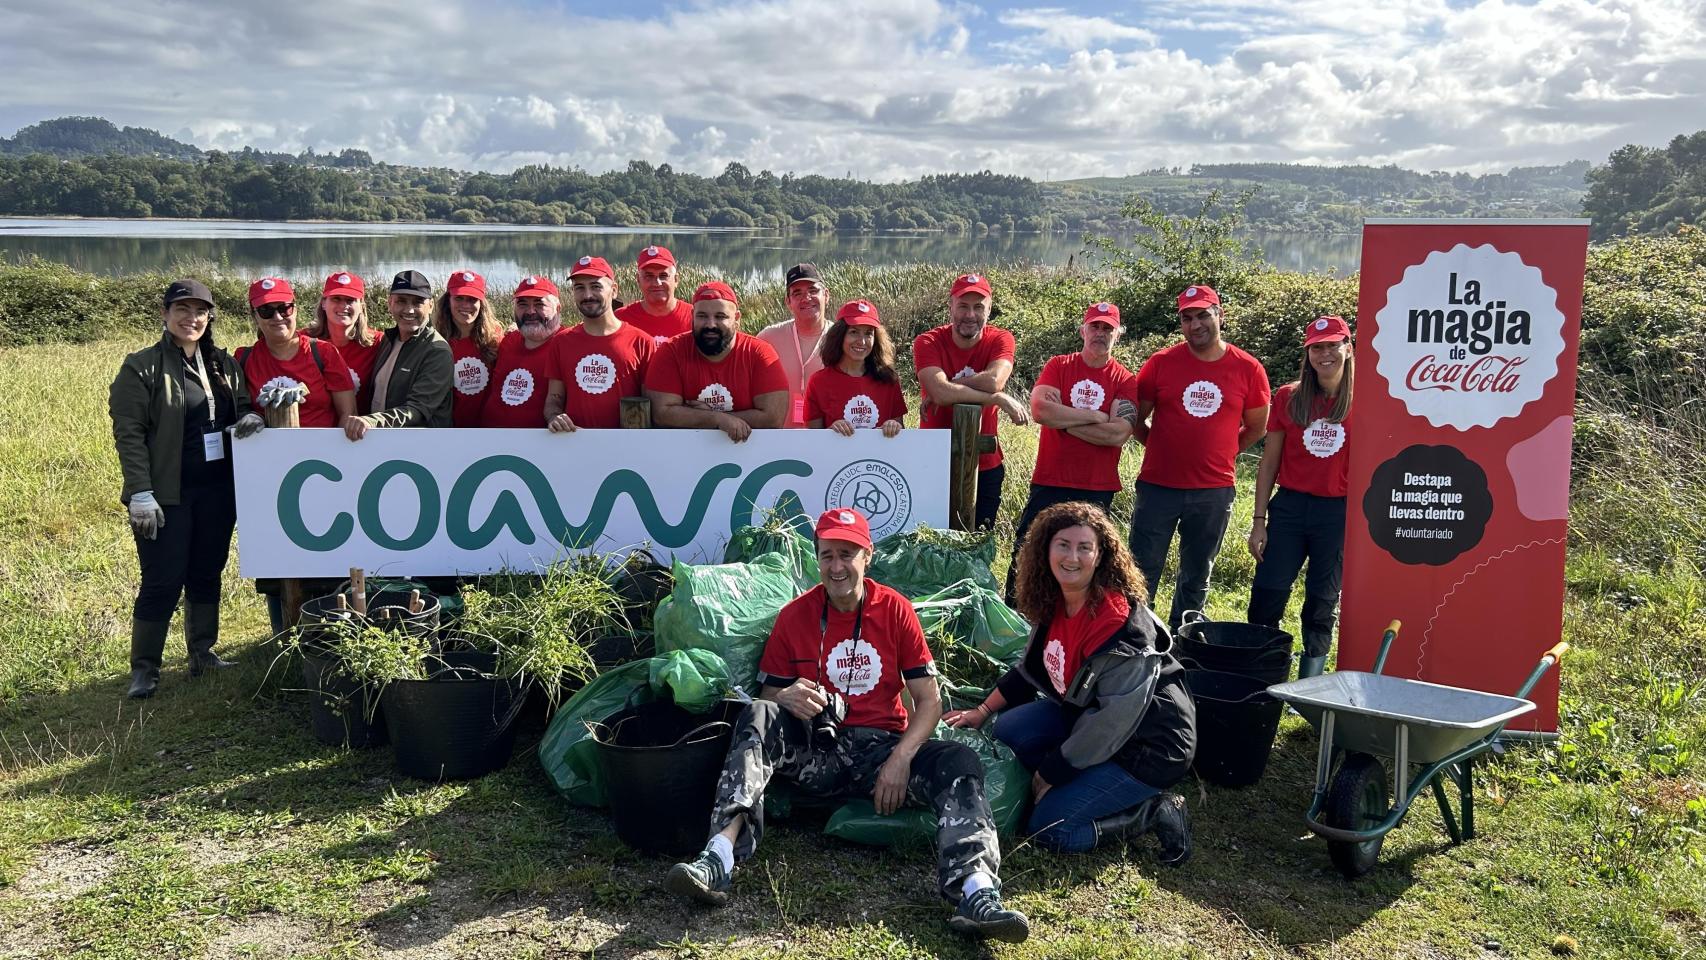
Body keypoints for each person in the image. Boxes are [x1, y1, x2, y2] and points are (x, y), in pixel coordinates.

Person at [665, 508, 1030, 943]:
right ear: (817, 559)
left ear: (867, 556)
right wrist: (784, 697)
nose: (836, 567)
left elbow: (929, 701)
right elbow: (765, 700)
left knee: (959, 758)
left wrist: (901, 758)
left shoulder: (894, 610)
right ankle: (718, 857)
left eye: (847, 554)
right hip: (816, 752)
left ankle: (976, 893)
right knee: (758, 716)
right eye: (826, 556)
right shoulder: (795, 616)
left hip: (882, 752)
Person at [945, 501, 1196, 862]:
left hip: (1147, 746)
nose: (1072, 557)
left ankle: (1151, 811)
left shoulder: (1119, 629)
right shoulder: (1056, 600)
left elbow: (1110, 725)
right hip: (1088, 717)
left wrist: (1055, 770)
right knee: (1009, 727)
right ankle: (1082, 782)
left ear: (1101, 556)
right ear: (1045, 549)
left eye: (1084, 547)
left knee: (1050, 829)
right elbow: (1030, 668)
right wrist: (982, 710)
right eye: (1063, 545)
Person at [108, 279, 263, 699]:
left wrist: (251, 418)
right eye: (181, 309)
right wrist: (140, 491)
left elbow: (244, 404)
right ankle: (145, 669)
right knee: (162, 579)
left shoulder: (222, 364)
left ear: (210, 316)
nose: (190, 318)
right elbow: (130, 434)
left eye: (199, 311)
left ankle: (202, 653)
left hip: (217, 492)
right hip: (167, 495)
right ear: (164, 314)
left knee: (205, 572)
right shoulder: (140, 368)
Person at [1127, 284, 1271, 631]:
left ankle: (1183, 639)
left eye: (1203, 315)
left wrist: (1222, 453)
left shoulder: (1248, 368)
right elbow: (1134, 418)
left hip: (1213, 491)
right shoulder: (1161, 363)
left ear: (1219, 315)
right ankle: (1138, 638)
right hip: (1158, 487)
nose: (1195, 324)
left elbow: (1257, 427)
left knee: (1197, 572)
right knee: (1142, 569)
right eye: (1187, 318)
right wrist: (1158, 447)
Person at [1004, 302, 1137, 602]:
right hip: (1051, 479)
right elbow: (1040, 410)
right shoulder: (1059, 366)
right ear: (1083, 330)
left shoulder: (1124, 379)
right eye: (1095, 326)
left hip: (1097, 485)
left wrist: (1065, 422)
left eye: (1108, 328)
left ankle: (1081, 615)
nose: (1100, 333)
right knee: (1029, 548)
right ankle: (1015, 611)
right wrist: (1097, 416)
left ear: (1118, 335)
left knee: (1090, 557)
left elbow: (1118, 433)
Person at [1246, 316, 1354, 679]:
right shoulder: (1288, 397)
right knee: (1268, 591)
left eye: (1332, 345)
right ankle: (1264, 674)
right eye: (1317, 348)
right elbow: (1269, 462)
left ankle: (1309, 686)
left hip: (1338, 512)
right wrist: (1258, 521)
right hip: (1290, 508)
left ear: (1348, 348)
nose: (1325, 354)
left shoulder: (1366, 400)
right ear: (1308, 353)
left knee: (1322, 601)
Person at [913, 273, 1029, 530]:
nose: (970, 314)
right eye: (963, 306)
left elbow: (994, 380)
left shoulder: (1001, 339)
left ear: (989, 308)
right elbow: (944, 394)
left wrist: (945, 386)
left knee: (979, 543)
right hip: (933, 461)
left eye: (978, 307)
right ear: (950, 306)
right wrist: (996, 399)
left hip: (985, 464)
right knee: (931, 542)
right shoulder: (927, 341)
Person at [645, 281, 788, 442]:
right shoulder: (670, 351)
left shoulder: (759, 353)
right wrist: (716, 420)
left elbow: (773, 418)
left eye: (720, 316)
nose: (710, 324)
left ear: (737, 319)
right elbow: (661, 414)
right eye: (702, 316)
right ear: (692, 316)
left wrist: (710, 417)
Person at [546, 256, 654, 431]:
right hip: (574, 443)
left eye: (596, 286)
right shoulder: (561, 341)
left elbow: (652, 404)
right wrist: (554, 416)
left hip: (626, 447)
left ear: (614, 290)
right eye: (579, 288)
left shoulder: (641, 342)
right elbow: (554, 399)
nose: (587, 295)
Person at [234, 277, 358, 429]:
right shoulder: (243, 359)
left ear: (295, 310)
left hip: (320, 450)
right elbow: (237, 408)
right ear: (254, 316)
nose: (278, 317)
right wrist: (253, 416)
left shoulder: (324, 353)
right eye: (266, 311)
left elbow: (348, 413)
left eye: (284, 308)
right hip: (267, 450)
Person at [344, 270, 454, 439]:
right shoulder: (388, 341)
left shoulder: (437, 351)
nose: (409, 310)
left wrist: (371, 422)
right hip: (384, 443)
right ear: (390, 303)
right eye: (401, 301)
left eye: (418, 302)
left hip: (422, 449)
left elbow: (417, 409)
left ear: (430, 305)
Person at [804, 299, 906, 436]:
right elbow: (812, 440)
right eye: (854, 332)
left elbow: (901, 434)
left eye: (868, 333)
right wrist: (830, 433)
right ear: (840, 335)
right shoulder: (818, 382)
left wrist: (894, 426)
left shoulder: (888, 380)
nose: (862, 341)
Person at [483, 273, 568, 428]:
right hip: (490, 440)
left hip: (538, 445)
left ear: (557, 308)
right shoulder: (508, 341)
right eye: (522, 304)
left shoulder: (567, 344)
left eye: (539, 304)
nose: (530, 312)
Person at [755, 263, 830, 427]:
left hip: (827, 438)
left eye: (813, 290)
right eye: (797, 293)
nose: (806, 298)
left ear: (826, 295)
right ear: (788, 302)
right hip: (780, 439)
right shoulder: (769, 337)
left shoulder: (840, 338)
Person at [432, 269, 504, 427]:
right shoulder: (436, 343)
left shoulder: (496, 339)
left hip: (490, 430)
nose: (466, 305)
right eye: (459, 298)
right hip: (450, 430)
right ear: (448, 301)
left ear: (481, 304)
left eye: (472, 299)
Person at [305, 270, 381, 395]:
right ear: (324, 303)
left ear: (361, 306)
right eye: (336, 299)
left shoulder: (378, 343)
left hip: (360, 415)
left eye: (350, 300)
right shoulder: (303, 341)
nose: (343, 306)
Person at [614, 245, 693, 345]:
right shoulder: (621, 319)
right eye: (649, 276)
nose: (656, 283)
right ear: (638, 279)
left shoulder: (694, 317)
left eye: (663, 276)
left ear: (676, 279)